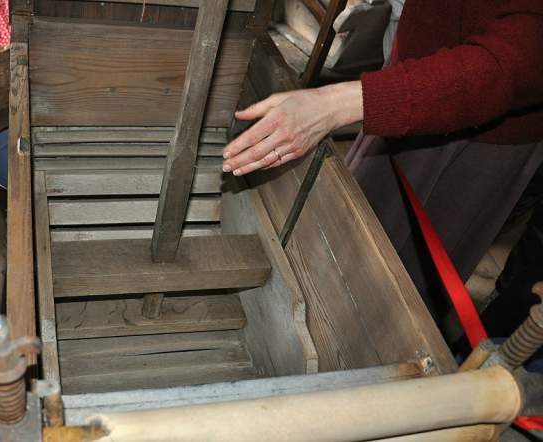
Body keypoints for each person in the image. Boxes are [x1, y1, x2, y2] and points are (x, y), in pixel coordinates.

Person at [222, 0, 543, 337]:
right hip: (412, 79)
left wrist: (337, 104)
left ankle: (356, 345)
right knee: (346, 227)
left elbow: (516, 61)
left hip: (478, 128)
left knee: (401, 283)